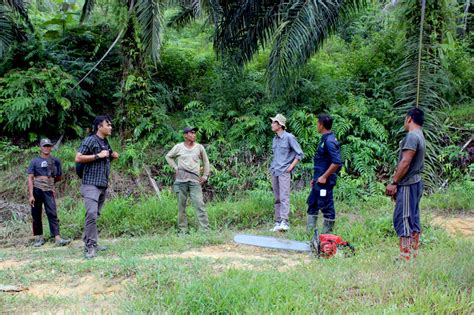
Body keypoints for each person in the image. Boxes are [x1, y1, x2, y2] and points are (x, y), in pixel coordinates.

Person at [75, 115, 119, 259]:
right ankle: (90, 246)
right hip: (90, 184)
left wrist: (111, 156)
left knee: (94, 215)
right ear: (99, 127)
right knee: (92, 214)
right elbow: (78, 157)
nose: (111, 127)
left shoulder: (106, 142)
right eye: (108, 124)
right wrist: (98, 155)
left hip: (102, 184)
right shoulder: (90, 140)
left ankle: (91, 241)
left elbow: (105, 159)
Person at [386, 108, 425, 262]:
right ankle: (414, 254)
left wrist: (394, 182)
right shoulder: (420, 135)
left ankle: (405, 257)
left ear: (409, 119)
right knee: (413, 218)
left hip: (408, 183)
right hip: (416, 182)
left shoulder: (412, 136)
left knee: (403, 218)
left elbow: (405, 161)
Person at [27, 138, 71, 247]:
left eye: (48, 146)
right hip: (37, 189)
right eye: (44, 146)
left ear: (51, 147)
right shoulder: (34, 161)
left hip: (49, 190)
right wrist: (31, 195)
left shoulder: (55, 161)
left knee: (52, 212)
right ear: (40, 147)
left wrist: (49, 183)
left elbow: (59, 177)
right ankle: (39, 238)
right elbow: (30, 178)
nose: (46, 148)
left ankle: (57, 238)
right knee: (36, 214)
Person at [166, 127, 210, 233]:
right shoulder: (179, 147)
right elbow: (168, 156)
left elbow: (206, 162)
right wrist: (175, 167)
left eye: (194, 133)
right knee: (182, 206)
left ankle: (205, 230)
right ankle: (183, 230)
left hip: (195, 181)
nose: (194, 135)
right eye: (191, 133)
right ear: (185, 135)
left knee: (199, 204)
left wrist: (205, 175)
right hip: (181, 181)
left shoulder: (199, 147)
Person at [306, 114, 342, 234]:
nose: (317, 125)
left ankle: (327, 235)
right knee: (312, 203)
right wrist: (316, 178)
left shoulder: (330, 141)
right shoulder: (324, 139)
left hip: (325, 182)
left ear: (321, 125)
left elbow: (336, 162)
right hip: (319, 180)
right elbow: (322, 162)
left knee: (327, 206)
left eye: (317, 123)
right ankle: (309, 233)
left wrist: (324, 177)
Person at [269, 114, 304, 232]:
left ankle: (285, 222)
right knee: (277, 197)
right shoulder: (275, 139)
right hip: (275, 170)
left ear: (279, 125)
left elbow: (299, 154)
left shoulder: (289, 137)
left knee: (284, 197)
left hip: (284, 171)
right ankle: (278, 222)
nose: (272, 124)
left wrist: (290, 167)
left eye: (274, 122)